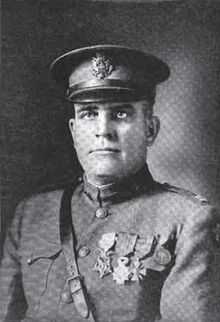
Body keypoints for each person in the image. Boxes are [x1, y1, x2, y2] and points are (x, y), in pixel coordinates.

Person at [0, 45, 220, 322]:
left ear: (149, 129)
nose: (103, 130)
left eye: (120, 114)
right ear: (74, 130)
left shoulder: (188, 220)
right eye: (89, 114)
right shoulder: (30, 214)